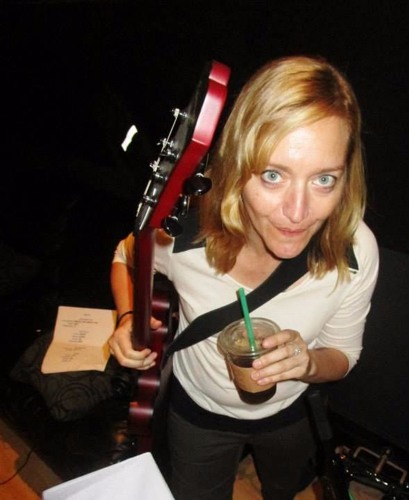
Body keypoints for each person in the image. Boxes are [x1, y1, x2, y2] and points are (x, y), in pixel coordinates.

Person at [109, 55, 379, 499]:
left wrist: (308, 364)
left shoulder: (354, 251)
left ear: (347, 177)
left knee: (285, 489)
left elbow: (344, 354)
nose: (297, 213)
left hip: (291, 412)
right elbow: (124, 257)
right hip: (198, 414)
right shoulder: (182, 235)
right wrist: (126, 318)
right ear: (237, 165)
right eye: (273, 175)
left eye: (324, 180)